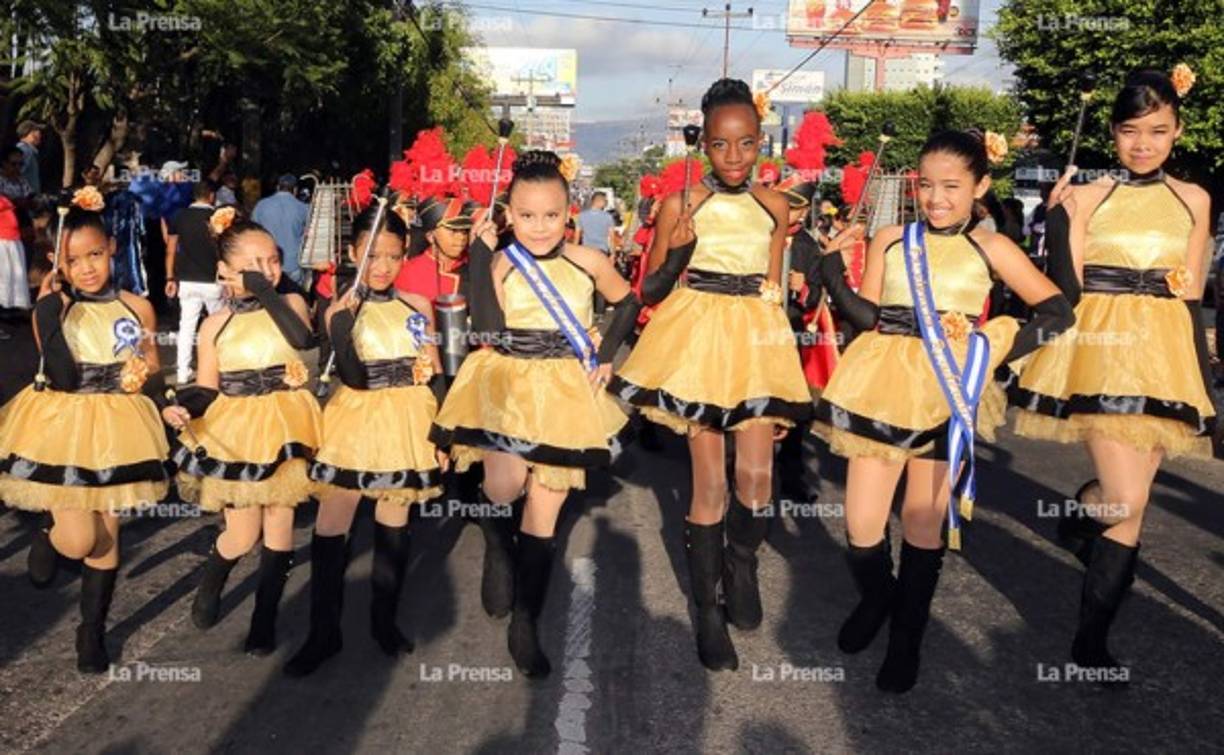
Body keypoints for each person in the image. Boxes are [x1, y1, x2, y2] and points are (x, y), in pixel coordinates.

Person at [811, 130, 1073, 693]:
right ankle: (879, 598)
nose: (936, 198)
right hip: (881, 385)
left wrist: (997, 348)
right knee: (860, 525)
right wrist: (833, 272)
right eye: (926, 185)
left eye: (951, 186)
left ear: (980, 186)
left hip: (947, 392)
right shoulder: (889, 237)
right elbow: (868, 316)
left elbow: (1056, 311)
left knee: (923, 523)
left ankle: (907, 640)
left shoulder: (993, 246)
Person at [1007, 69, 1217, 682]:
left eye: (1157, 131)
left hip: (1166, 354)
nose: (1144, 144)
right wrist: (1059, 218)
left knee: (1130, 505)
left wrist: (1204, 388)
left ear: (1177, 131)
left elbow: (1191, 294)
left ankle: (1090, 600)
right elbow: (1063, 292)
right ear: (1113, 134)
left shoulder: (1196, 200)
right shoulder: (1085, 196)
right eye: (1131, 132)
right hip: (1098, 350)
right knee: (1126, 501)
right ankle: (1089, 638)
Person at [608, 79, 812, 671]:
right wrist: (676, 251)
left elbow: (773, 292)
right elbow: (653, 287)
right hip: (698, 342)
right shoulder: (680, 205)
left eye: (747, 144)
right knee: (711, 486)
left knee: (755, 478)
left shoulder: (777, 206)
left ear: (761, 143)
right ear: (703, 145)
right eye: (721, 146)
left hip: (756, 342)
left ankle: (741, 562)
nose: (734, 157)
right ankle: (707, 613)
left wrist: (784, 382)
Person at [430, 151, 639, 678]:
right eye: (526, 215)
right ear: (509, 214)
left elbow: (628, 303)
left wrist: (607, 353)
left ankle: (526, 622)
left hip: (566, 390)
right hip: (509, 383)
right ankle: (499, 546)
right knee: (502, 489)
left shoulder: (589, 261)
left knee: (542, 514)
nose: (539, 226)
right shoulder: (502, 260)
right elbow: (488, 328)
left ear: (568, 212)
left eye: (550, 215)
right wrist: (481, 256)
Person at [0, 187, 170, 672]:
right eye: (75, 260)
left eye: (96, 253)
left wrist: (144, 374)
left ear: (111, 248)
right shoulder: (53, 309)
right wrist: (50, 310)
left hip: (119, 425)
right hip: (65, 425)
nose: (89, 267)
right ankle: (51, 537)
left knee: (107, 534)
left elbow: (153, 364)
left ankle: (91, 629)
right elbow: (63, 374)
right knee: (80, 540)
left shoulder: (139, 308)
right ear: (58, 263)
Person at [285, 206, 448, 676]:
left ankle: (383, 621)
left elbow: (433, 370)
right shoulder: (338, 308)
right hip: (354, 418)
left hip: (408, 419)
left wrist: (442, 433)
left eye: (393, 257)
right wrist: (341, 324)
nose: (382, 267)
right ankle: (323, 632)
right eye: (372, 255)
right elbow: (353, 377)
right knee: (333, 523)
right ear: (353, 254)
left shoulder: (418, 305)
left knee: (394, 519)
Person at [163, 209, 321, 657]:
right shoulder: (214, 325)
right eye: (252, 266)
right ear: (224, 273)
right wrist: (182, 407)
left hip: (287, 427)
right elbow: (207, 388)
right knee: (242, 533)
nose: (266, 271)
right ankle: (213, 579)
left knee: (280, 527)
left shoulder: (289, 305)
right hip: (235, 433)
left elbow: (301, 339)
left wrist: (266, 289)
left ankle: (264, 620)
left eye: (273, 261)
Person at [165, 181, 225, 384]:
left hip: (187, 281)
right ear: (211, 196)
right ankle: (221, 367)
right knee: (219, 325)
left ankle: (183, 372)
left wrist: (170, 277)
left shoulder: (179, 216)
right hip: (213, 280)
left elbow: (170, 249)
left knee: (186, 327)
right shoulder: (219, 217)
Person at [252, 174, 310, 286]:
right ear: (295, 190)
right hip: (293, 263)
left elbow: (253, 231)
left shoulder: (261, 205)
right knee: (295, 298)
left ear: (278, 187)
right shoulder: (304, 208)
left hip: (268, 263)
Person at [15, 120, 44, 196]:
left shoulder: (25, 150)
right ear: (31, 134)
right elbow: (15, 174)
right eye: (38, 131)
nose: (40, 135)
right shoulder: (25, 150)